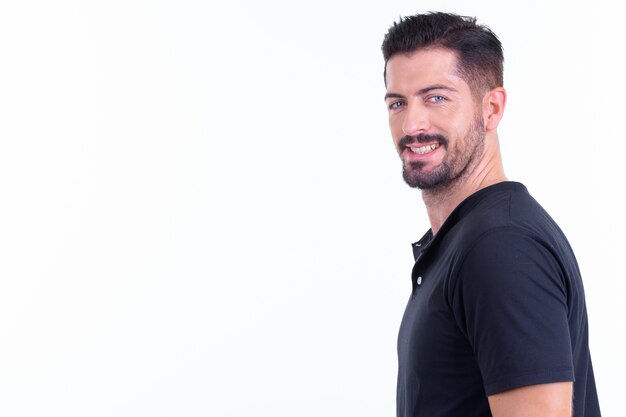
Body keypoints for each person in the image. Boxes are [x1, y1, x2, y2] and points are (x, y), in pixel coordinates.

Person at [381, 12, 601, 417]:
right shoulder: (471, 240)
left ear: (492, 108)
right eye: (398, 103)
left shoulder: (500, 246)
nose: (412, 124)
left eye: (436, 98)